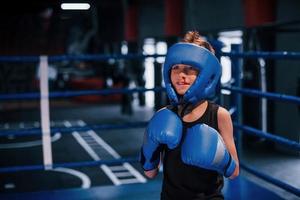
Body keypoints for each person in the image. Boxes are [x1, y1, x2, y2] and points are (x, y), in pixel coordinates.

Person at [139, 31, 239, 200]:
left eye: (190, 68)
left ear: (205, 74)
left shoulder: (219, 115)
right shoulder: (164, 116)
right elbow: (150, 173)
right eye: (175, 68)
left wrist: (220, 158)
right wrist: (149, 148)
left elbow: (234, 172)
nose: (181, 75)